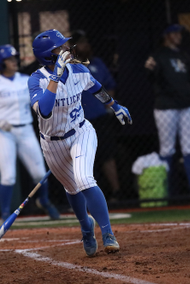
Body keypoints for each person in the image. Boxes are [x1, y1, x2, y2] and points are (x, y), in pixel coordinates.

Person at [29, 29, 132, 257]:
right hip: (52, 143)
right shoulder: (37, 79)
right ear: (49, 56)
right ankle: (86, 227)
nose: (67, 49)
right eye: (60, 48)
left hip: (81, 132)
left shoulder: (78, 70)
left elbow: (96, 88)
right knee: (72, 188)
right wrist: (55, 77)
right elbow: (44, 111)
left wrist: (115, 106)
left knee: (85, 179)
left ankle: (107, 233)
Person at [0, 44, 60, 221]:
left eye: (14, 58)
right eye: (9, 59)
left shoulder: (26, 79)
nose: (14, 61)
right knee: (8, 176)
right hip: (3, 132)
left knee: (39, 173)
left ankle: (45, 202)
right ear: (0, 63)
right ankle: (6, 214)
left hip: (25, 129)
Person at [144, 24, 190, 201]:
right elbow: (149, 76)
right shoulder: (157, 55)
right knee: (167, 149)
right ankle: (168, 193)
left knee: (189, 148)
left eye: (179, 33)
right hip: (166, 106)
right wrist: (149, 68)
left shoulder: (183, 55)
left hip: (186, 106)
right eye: (175, 33)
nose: (179, 36)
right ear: (166, 35)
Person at [70, 30, 121, 202]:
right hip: (78, 121)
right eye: (81, 42)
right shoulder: (68, 67)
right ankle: (83, 198)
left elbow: (109, 85)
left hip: (100, 118)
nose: (86, 45)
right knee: (81, 159)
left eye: (86, 41)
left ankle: (116, 193)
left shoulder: (97, 63)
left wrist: (109, 107)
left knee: (107, 154)